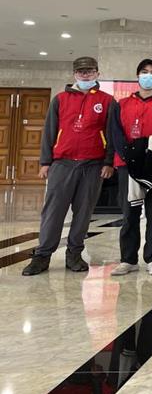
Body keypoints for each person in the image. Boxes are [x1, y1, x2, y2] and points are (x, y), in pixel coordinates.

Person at [22, 56, 115, 276]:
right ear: (74, 74)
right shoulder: (60, 99)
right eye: (81, 71)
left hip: (93, 166)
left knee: (83, 213)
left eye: (90, 71)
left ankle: (74, 254)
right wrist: (46, 162)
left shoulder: (108, 101)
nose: (85, 75)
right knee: (53, 212)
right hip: (62, 164)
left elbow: (112, 134)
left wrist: (108, 162)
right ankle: (42, 256)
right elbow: (50, 131)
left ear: (97, 74)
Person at [109, 59, 152, 276]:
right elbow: (115, 133)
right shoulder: (122, 104)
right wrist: (130, 156)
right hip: (128, 166)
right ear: (138, 75)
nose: (148, 76)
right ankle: (128, 259)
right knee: (130, 214)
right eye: (144, 72)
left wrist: (151, 156)